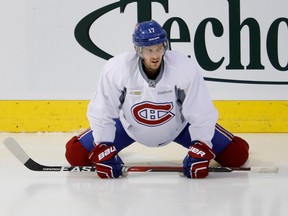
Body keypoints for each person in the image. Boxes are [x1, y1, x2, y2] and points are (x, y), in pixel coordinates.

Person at [65, 20, 249, 179]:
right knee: (75, 154)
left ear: (165, 46)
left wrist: (200, 146)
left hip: (179, 127)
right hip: (128, 127)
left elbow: (200, 110)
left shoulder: (183, 67)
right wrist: (104, 146)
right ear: (137, 50)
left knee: (237, 156)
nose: (155, 55)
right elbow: (102, 110)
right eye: (148, 50)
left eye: (159, 48)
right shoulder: (117, 68)